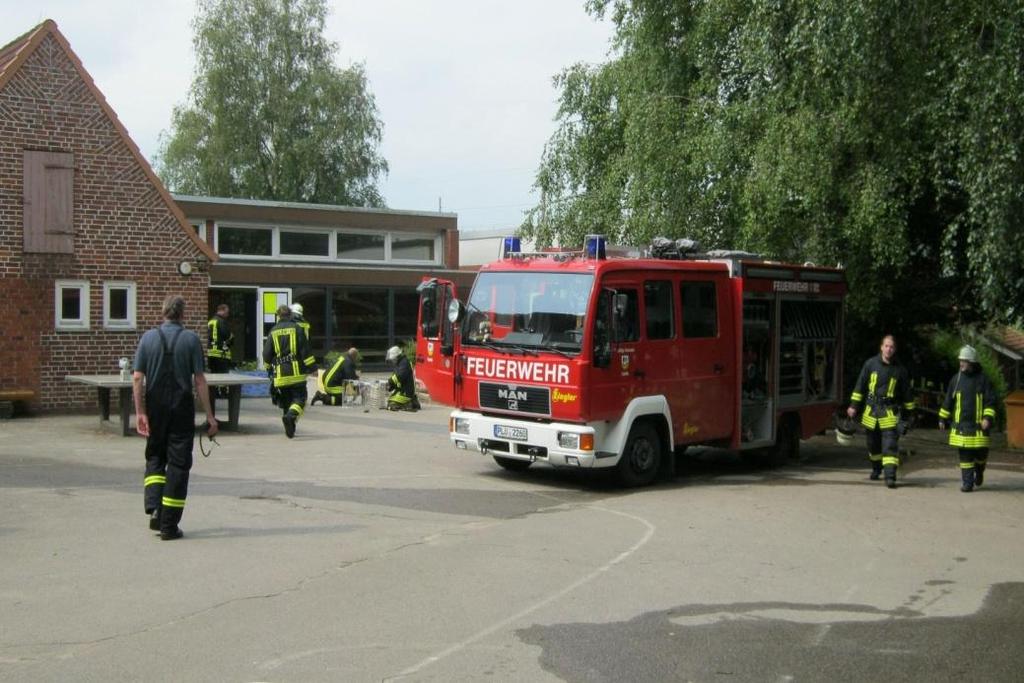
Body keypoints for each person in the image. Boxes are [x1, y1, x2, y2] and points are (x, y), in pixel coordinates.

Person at [132, 295, 218, 541]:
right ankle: (169, 525)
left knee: (156, 456)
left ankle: (154, 507)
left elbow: (138, 377)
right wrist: (210, 417)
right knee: (179, 465)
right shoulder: (190, 340)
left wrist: (140, 412)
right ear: (182, 314)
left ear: (163, 313)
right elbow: (199, 380)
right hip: (181, 408)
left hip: (155, 407)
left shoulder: (148, 339)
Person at [847, 334, 916, 488]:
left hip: (889, 414)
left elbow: (907, 395)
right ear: (881, 347)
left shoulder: (900, 370)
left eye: (891, 347)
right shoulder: (870, 364)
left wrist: (909, 416)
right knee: (873, 445)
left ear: (895, 349)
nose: (889, 349)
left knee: (890, 445)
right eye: (886, 346)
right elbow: (860, 386)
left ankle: (890, 476)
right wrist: (853, 406)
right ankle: (876, 468)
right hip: (871, 413)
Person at [938, 345, 998, 492]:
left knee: (981, 455)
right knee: (965, 456)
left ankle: (979, 470)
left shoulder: (983, 380)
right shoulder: (956, 379)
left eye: (964, 360)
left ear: (972, 362)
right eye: (960, 360)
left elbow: (991, 401)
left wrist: (987, 418)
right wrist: (942, 418)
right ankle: (967, 483)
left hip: (979, 428)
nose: (961, 363)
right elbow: (948, 400)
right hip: (961, 428)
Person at [263, 304, 316, 438]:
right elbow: (305, 350)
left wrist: (268, 368)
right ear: (290, 315)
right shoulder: (297, 328)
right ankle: (290, 417)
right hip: (296, 373)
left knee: (287, 403)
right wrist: (312, 367)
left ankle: (290, 430)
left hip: (280, 375)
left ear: (278, 316)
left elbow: (266, 355)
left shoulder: (273, 331)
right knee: (300, 400)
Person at [206, 303, 233, 399]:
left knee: (213, 374)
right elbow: (228, 336)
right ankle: (223, 393)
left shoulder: (210, 322)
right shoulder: (222, 322)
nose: (227, 314)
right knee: (223, 375)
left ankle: (214, 392)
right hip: (221, 353)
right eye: (227, 312)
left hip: (210, 353)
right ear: (221, 310)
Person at [385, 345, 420, 411]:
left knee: (392, 403)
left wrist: (389, 382)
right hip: (402, 390)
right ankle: (411, 401)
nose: (392, 361)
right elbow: (396, 378)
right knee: (390, 400)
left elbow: (399, 376)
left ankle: (410, 403)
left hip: (406, 392)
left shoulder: (404, 363)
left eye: (392, 359)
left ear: (396, 357)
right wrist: (391, 386)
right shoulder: (400, 363)